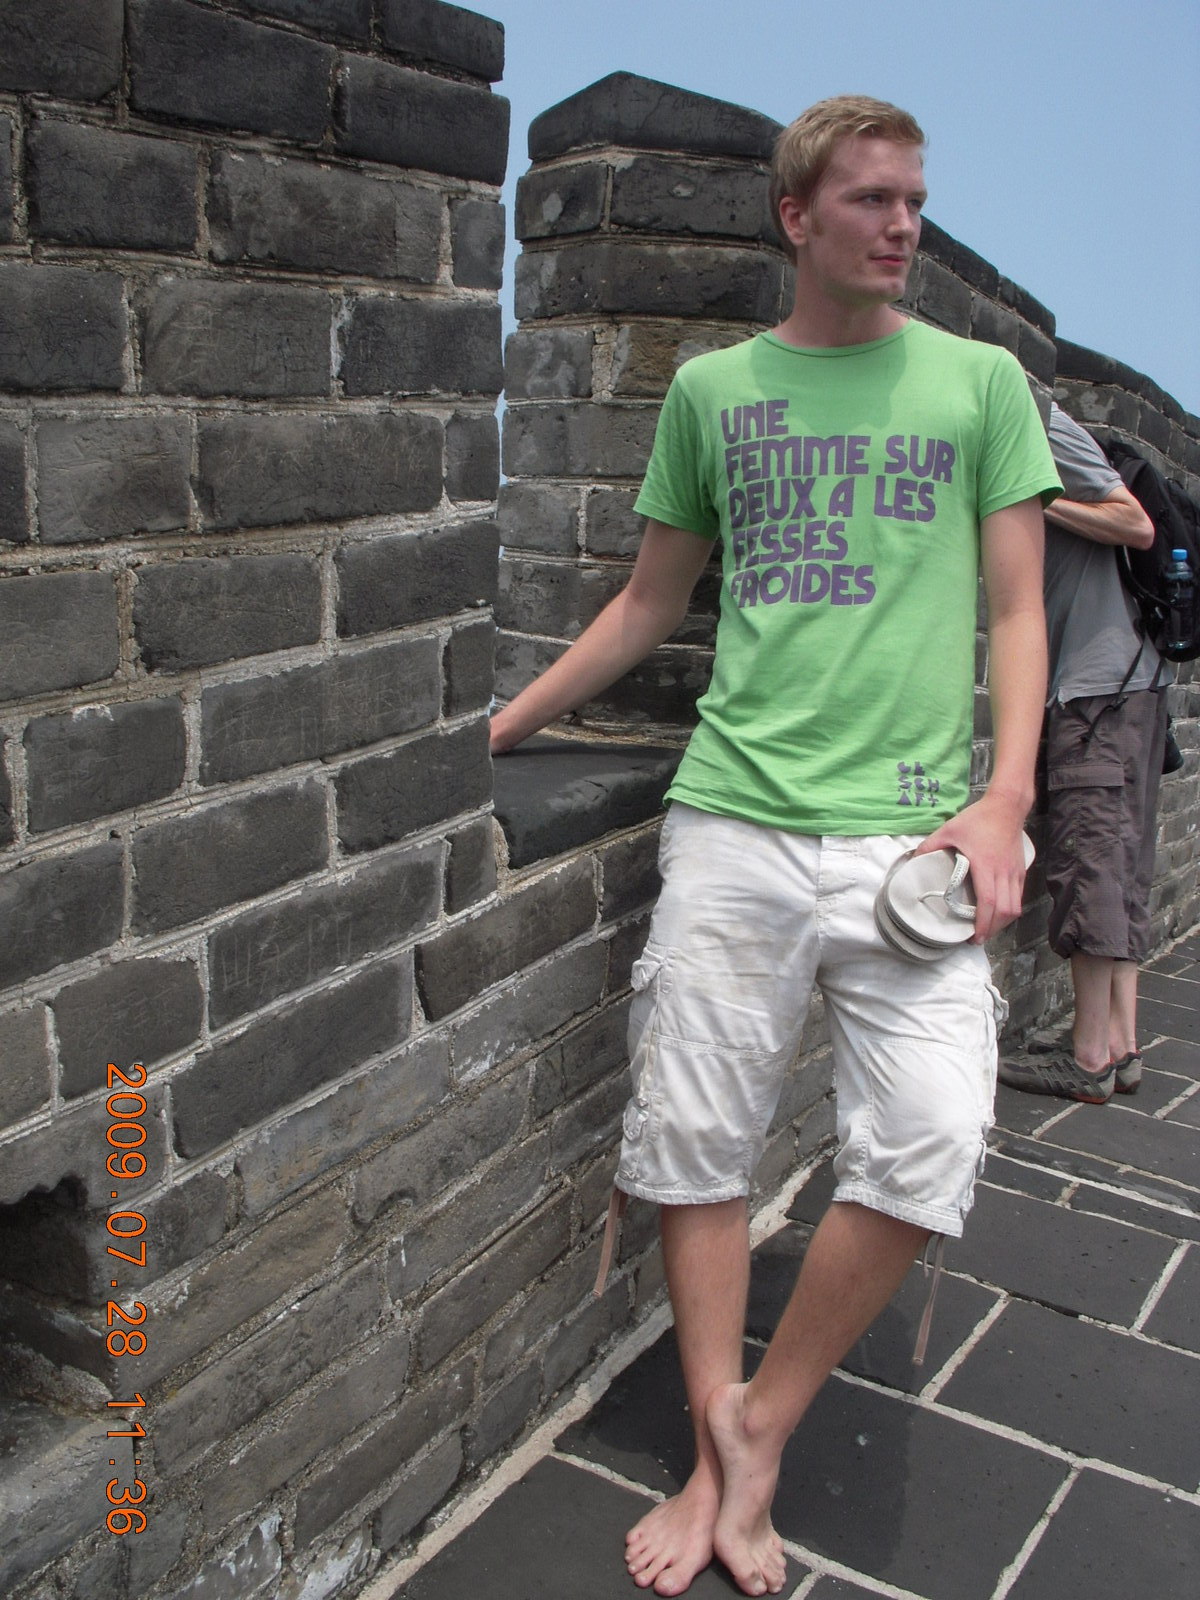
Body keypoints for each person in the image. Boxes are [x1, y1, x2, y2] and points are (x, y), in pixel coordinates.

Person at [490, 96, 1059, 1598]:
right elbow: (650, 600)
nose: (903, 224)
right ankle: (712, 1460)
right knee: (695, 1141)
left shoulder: (981, 383)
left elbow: (1019, 611)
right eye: (870, 199)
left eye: (915, 198)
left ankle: (761, 1422)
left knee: (930, 1141)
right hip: (735, 814)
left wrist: (1006, 798)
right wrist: (506, 723)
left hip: (910, 835)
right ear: (795, 218)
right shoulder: (715, 390)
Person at [999, 404, 1161, 1104]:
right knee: (1120, 865)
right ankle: (1121, 1045)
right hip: (1125, 687)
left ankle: (1089, 1057)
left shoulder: (1037, 419)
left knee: (1089, 859)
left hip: (1098, 691)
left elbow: (1135, 524)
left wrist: (1034, 499)